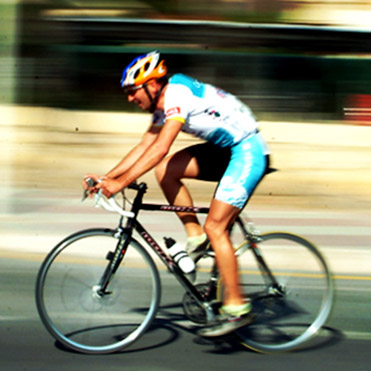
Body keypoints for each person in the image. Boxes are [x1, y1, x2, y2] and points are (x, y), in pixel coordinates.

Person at [83, 51, 270, 337]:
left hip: (247, 150)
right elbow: (144, 146)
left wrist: (120, 185)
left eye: (133, 92)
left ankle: (237, 307)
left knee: (216, 226)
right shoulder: (161, 105)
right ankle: (197, 238)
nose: (130, 99)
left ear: (152, 85)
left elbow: (160, 149)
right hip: (224, 151)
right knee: (166, 172)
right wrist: (109, 177)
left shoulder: (177, 94)